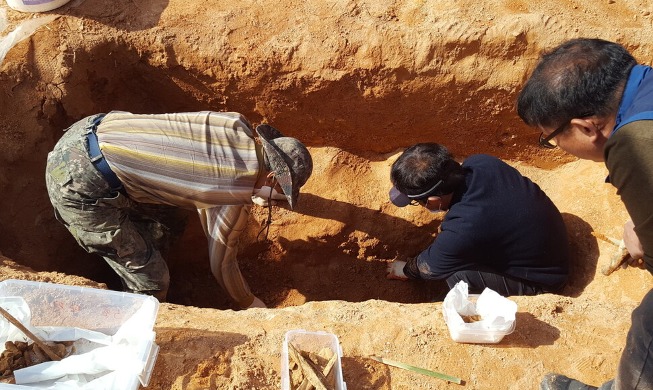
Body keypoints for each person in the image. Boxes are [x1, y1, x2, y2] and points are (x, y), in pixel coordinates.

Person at [45, 111, 312, 309]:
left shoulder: (235, 123)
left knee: (170, 221)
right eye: (280, 194)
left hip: (89, 130)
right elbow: (222, 264)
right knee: (152, 280)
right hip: (77, 183)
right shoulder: (229, 193)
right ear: (271, 179)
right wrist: (249, 302)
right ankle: (131, 319)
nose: (276, 202)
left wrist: (256, 192)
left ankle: (145, 244)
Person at [517, 38, 653, 390]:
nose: (555, 146)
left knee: (650, 325)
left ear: (586, 127)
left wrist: (642, 242)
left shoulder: (633, 142)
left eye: (551, 138)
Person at [386, 142, 569, 297]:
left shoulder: (464, 228)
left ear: (434, 200)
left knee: (458, 277)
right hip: (547, 243)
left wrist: (405, 270)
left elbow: (429, 267)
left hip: (543, 280)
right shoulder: (482, 162)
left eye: (417, 201)